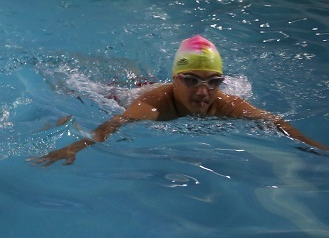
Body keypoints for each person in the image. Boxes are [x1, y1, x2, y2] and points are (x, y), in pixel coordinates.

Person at [32, 35, 327, 166]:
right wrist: (75, 146)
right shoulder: (155, 105)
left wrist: (316, 148)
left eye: (213, 82)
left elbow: (276, 122)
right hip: (117, 94)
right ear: (176, 79)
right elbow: (114, 124)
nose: (203, 92)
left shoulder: (226, 104)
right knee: (72, 87)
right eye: (191, 80)